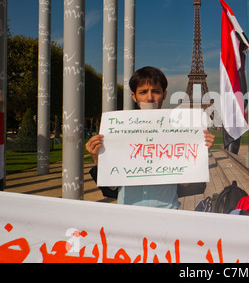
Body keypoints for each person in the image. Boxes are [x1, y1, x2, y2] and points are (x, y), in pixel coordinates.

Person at [86, 66, 215, 209]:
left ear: (164, 94)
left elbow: (185, 183)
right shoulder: (117, 131)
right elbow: (112, 185)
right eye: (143, 92)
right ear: (134, 96)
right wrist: (97, 157)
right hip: (128, 212)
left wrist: (199, 151)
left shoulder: (180, 131)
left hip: (166, 213)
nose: (149, 97)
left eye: (155, 91)